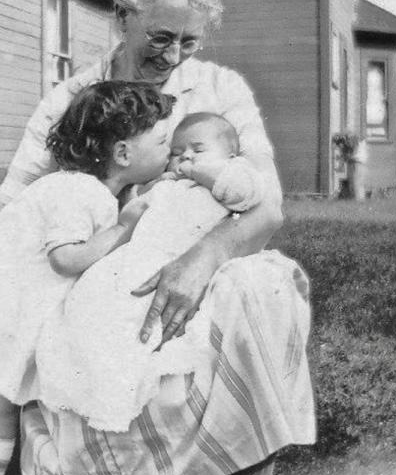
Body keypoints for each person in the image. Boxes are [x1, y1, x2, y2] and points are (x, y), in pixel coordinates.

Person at [0, 0, 315, 475]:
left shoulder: (221, 90)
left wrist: (202, 259)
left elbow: (267, 203)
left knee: (263, 287)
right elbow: (9, 205)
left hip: (201, 255)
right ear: (123, 15)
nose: (174, 54)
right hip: (100, 273)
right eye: (160, 37)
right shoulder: (73, 99)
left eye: (189, 41)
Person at [0, 80, 176, 475]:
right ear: (122, 153)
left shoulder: (95, 190)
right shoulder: (77, 191)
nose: (169, 150)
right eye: (163, 141)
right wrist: (125, 228)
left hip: (20, 324)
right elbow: (65, 259)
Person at [36, 112, 274, 432]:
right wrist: (156, 188)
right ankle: (93, 383)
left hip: (179, 261)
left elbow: (246, 193)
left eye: (198, 150)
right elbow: (137, 213)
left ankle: (120, 398)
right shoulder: (172, 184)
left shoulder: (235, 174)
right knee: (89, 306)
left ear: (229, 156)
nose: (185, 157)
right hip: (136, 259)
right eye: (177, 153)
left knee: (137, 327)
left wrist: (199, 171)